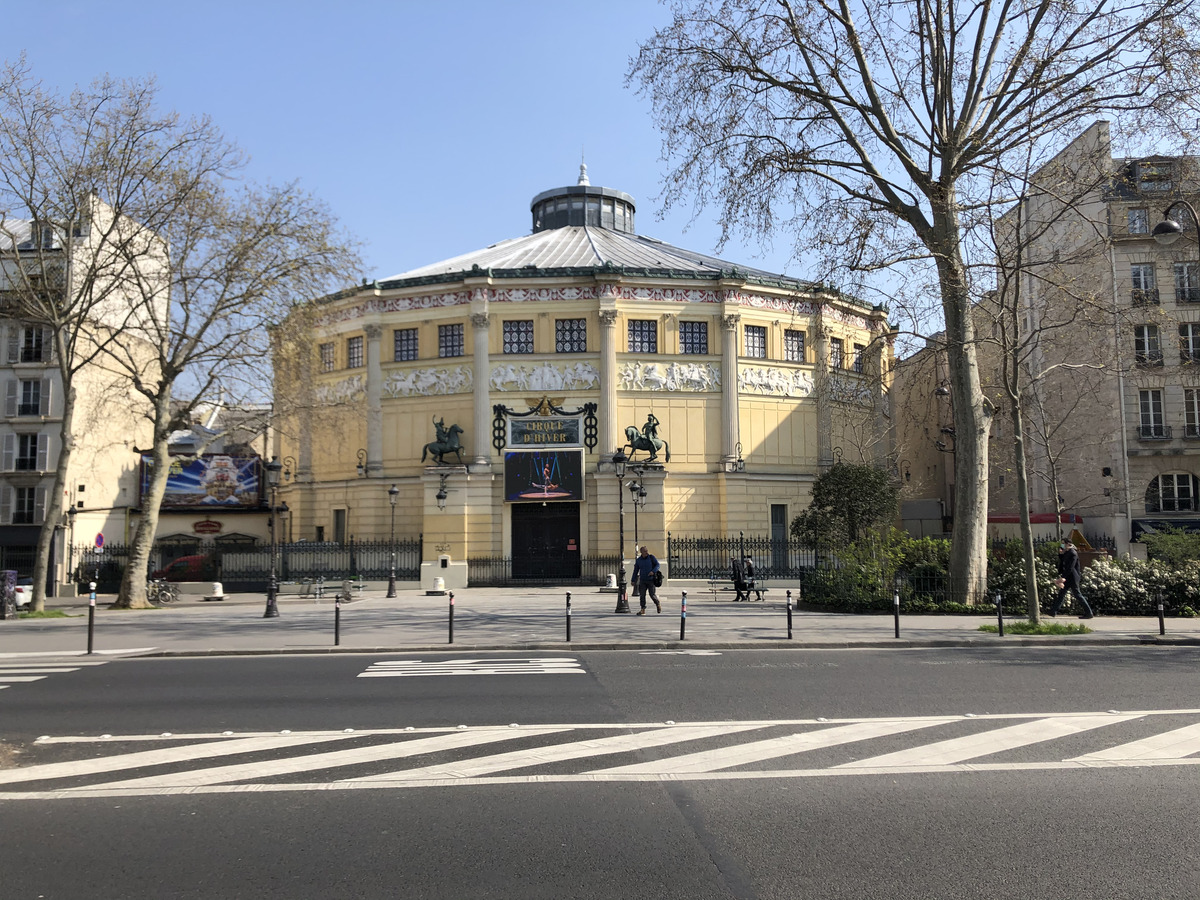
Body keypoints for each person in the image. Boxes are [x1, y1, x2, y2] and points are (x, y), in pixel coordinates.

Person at [1048, 540, 1094, 619]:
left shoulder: (1073, 553)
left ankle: (1089, 612)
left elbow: (1070, 567)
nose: (1062, 545)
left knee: (1077, 594)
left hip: (1072, 577)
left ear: (1068, 544)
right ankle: (1053, 611)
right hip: (1068, 577)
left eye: (1064, 543)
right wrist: (1060, 554)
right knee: (1062, 593)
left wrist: (1063, 577)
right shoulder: (1067, 552)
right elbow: (1063, 562)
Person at [631, 545, 661, 615]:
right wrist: (633, 580)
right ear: (641, 552)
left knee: (652, 594)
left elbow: (657, 565)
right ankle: (642, 609)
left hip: (651, 580)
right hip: (643, 580)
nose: (647, 552)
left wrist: (653, 571)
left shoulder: (651, 558)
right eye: (645, 551)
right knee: (642, 595)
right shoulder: (639, 561)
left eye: (647, 551)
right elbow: (635, 571)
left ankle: (657, 604)